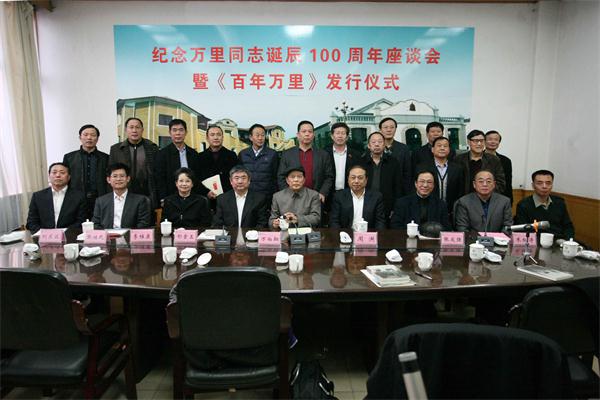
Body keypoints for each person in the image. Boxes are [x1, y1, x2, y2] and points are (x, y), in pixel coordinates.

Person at [277, 120, 334, 204]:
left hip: (316, 198)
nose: (307, 134)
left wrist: (323, 193)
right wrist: (288, 194)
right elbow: (281, 177)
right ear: (298, 135)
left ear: (313, 135)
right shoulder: (287, 154)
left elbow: (329, 177)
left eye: (310, 132)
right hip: (293, 199)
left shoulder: (323, 155)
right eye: (304, 131)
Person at [109, 117, 159, 209]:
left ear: (142, 130)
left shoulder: (152, 147)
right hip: (124, 194)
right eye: (131, 127)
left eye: (137, 127)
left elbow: (158, 173)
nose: (134, 130)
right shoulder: (116, 149)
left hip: (147, 194)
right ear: (126, 130)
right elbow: (111, 173)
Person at [62, 124, 109, 219]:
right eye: (86, 135)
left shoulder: (106, 158)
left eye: (93, 135)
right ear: (80, 137)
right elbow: (65, 179)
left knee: (99, 224)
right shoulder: (69, 157)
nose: (89, 138)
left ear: (97, 138)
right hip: (76, 199)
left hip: (100, 198)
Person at [514, 169, 574, 240]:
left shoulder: (559, 202)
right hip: (537, 242)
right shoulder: (524, 205)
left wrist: (567, 241)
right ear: (533, 185)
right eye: (539, 183)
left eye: (548, 183)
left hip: (560, 241)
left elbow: (568, 226)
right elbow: (523, 230)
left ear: (552, 185)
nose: (544, 186)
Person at [26, 162, 86, 233]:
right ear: (49, 176)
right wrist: (44, 234)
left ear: (69, 177)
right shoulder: (37, 196)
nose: (58, 175)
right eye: (54, 172)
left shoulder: (79, 196)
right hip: (43, 236)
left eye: (62, 173)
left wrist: (63, 233)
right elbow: (31, 222)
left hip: (69, 236)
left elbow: (80, 221)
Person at [92, 163, 152, 229]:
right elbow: (95, 224)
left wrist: (127, 234)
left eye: (122, 176)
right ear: (108, 180)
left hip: (129, 234)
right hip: (107, 234)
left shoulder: (140, 200)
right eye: (115, 176)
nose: (118, 179)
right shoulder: (100, 201)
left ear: (128, 179)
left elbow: (143, 224)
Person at [416, 136, 465, 217]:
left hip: (451, 211)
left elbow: (460, 191)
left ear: (449, 150)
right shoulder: (422, 167)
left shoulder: (457, 168)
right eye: (439, 146)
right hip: (428, 210)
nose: (442, 148)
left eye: (445, 146)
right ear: (432, 149)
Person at [360, 132, 404, 220]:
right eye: (373, 142)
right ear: (368, 145)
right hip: (364, 203)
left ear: (384, 145)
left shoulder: (393, 162)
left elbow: (398, 186)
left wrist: (395, 207)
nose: (377, 144)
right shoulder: (361, 162)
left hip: (387, 205)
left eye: (380, 142)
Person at [154, 119, 200, 205]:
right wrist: (163, 198)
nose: (178, 133)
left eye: (181, 130)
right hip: (171, 198)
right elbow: (160, 179)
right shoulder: (162, 154)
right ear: (170, 132)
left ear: (186, 132)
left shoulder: (193, 154)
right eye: (174, 130)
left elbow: (197, 177)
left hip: (192, 198)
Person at [329, 164, 386, 230]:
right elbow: (334, 221)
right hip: (345, 234)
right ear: (348, 179)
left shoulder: (376, 197)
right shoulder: (339, 196)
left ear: (366, 180)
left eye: (360, 178)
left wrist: (377, 235)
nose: (356, 181)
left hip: (368, 234)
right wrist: (341, 235)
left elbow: (380, 222)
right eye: (353, 177)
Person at [196, 125, 239, 207]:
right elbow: (196, 179)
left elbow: (236, 177)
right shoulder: (199, 157)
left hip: (227, 199)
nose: (216, 137)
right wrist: (206, 192)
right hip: (206, 200)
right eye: (212, 135)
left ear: (222, 137)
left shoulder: (232, 155)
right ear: (207, 138)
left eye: (218, 134)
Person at [455, 130, 506, 195]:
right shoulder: (459, 159)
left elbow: (501, 183)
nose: (479, 144)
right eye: (475, 141)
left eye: (481, 141)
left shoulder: (494, 159)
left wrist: (486, 195)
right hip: (464, 198)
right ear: (468, 142)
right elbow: (454, 182)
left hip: (488, 198)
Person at [238, 123, 279, 202]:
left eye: (263, 135)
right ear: (251, 137)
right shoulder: (242, 154)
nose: (260, 138)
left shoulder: (272, 154)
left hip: (267, 196)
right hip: (247, 196)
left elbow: (275, 176)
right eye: (257, 135)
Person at [379, 117, 412, 194]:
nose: (389, 130)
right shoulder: (374, 148)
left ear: (395, 129)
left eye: (392, 127)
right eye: (385, 127)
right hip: (378, 191)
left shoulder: (404, 148)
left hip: (398, 191)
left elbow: (407, 173)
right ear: (380, 130)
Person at [327, 122, 361, 194]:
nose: (340, 136)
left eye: (343, 133)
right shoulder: (325, 154)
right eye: (337, 133)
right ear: (332, 136)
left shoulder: (356, 155)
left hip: (350, 192)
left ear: (347, 137)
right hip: (329, 193)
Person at [485, 130, 513, 204]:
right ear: (484, 141)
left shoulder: (506, 161)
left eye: (496, 140)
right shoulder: (477, 158)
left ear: (499, 142)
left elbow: (508, 182)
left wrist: (509, 200)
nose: (493, 142)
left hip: (499, 198)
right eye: (490, 139)